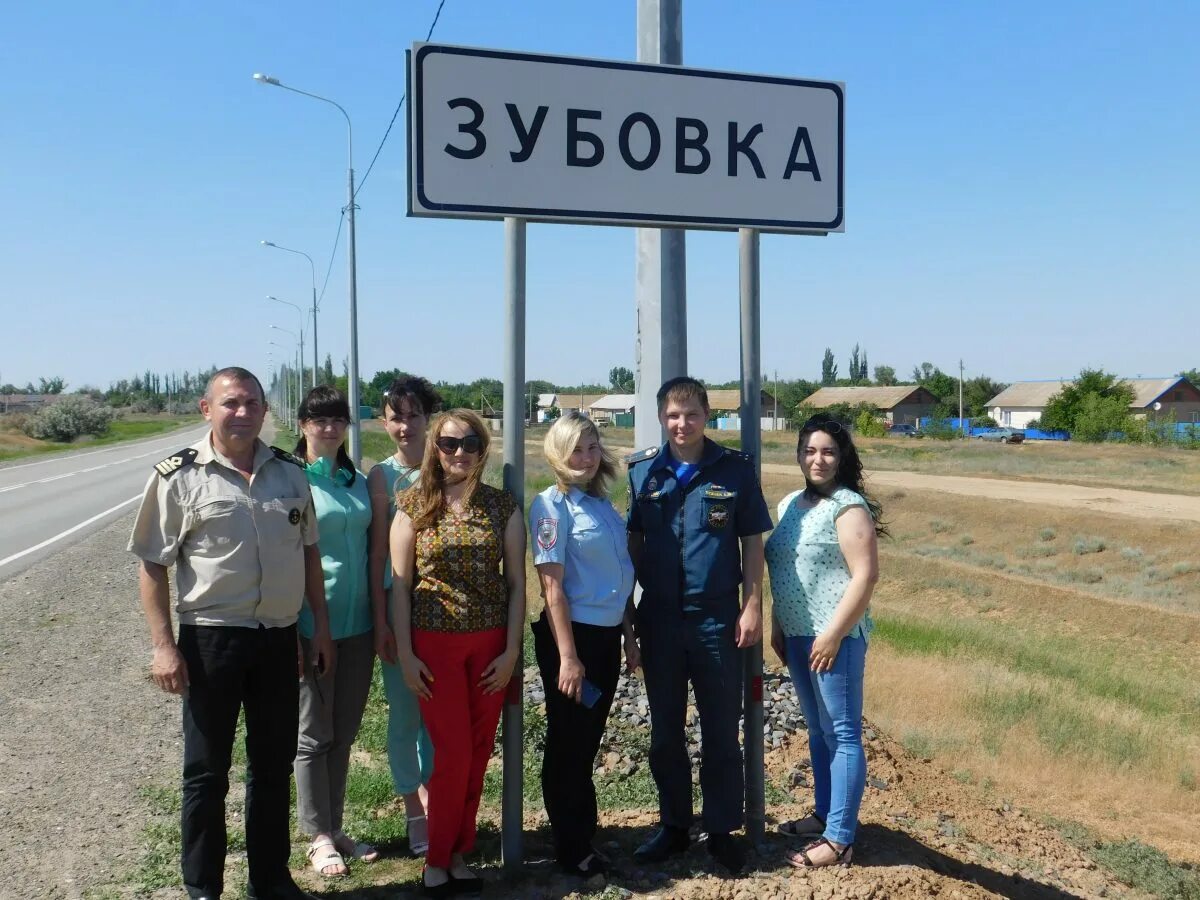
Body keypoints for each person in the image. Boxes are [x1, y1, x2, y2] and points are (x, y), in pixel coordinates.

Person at [129, 367, 334, 900]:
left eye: (251, 403)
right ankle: (203, 887)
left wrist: (320, 632)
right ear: (207, 409)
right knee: (206, 773)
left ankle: (270, 880)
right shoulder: (177, 476)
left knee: (272, 767)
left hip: (276, 639)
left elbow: (308, 553)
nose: (242, 412)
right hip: (211, 640)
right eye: (231, 403)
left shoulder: (291, 473)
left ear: (266, 411)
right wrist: (163, 647)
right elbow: (152, 565)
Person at [626, 377, 773, 875]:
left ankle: (722, 830)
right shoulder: (643, 472)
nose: (681, 423)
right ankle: (673, 825)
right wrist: (628, 616)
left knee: (719, 730)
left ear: (706, 414)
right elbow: (634, 546)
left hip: (717, 619)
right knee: (665, 730)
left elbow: (752, 542)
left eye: (690, 414)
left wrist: (752, 605)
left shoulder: (734, 470)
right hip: (660, 619)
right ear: (661, 418)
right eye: (672, 415)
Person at [390, 409, 526, 896]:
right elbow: (400, 589)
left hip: (490, 647)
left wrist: (512, 651)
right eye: (449, 444)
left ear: (483, 448)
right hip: (434, 648)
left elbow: (516, 585)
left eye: (470, 443)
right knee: (451, 754)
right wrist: (406, 654)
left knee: (479, 751)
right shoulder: (412, 505)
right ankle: (436, 859)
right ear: (434, 448)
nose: (460, 453)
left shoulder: (501, 506)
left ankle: (459, 852)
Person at [765, 414, 883, 870]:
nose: (819, 459)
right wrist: (778, 620)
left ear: (842, 457)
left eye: (828, 451)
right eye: (810, 451)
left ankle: (840, 840)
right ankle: (824, 814)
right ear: (798, 455)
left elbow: (865, 575)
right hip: (796, 635)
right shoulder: (790, 504)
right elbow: (786, 567)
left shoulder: (848, 507)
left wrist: (833, 634)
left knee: (843, 734)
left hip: (835, 639)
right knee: (818, 731)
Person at [529, 412, 640, 877]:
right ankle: (571, 847)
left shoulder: (600, 505)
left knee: (588, 740)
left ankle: (584, 832)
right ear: (558, 452)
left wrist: (630, 640)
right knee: (569, 744)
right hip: (571, 638)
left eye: (593, 448)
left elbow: (620, 578)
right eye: (577, 449)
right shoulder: (550, 507)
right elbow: (552, 587)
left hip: (606, 636)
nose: (587, 458)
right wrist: (568, 657)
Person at [291, 386, 380, 877]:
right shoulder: (290, 478)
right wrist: (305, 628)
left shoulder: (356, 480)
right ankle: (317, 835)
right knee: (313, 735)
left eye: (337, 420)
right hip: (310, 625)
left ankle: (336, 825)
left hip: (360, 625)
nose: (328, 428)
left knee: (343, 733)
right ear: (303, 424)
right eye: (318, 419)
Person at [367, 377, 440, 856]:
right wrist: (381, 623)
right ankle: (414, 809)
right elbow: (376, 555)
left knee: (438, 715)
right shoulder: (382, 477)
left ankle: (439, 801)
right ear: (384, 422)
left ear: (427, 419)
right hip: (399, 609)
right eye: (397, 417)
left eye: (414, 416)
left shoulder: (447, 465)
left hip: (441, 611)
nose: (405, 426)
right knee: (405, 716)